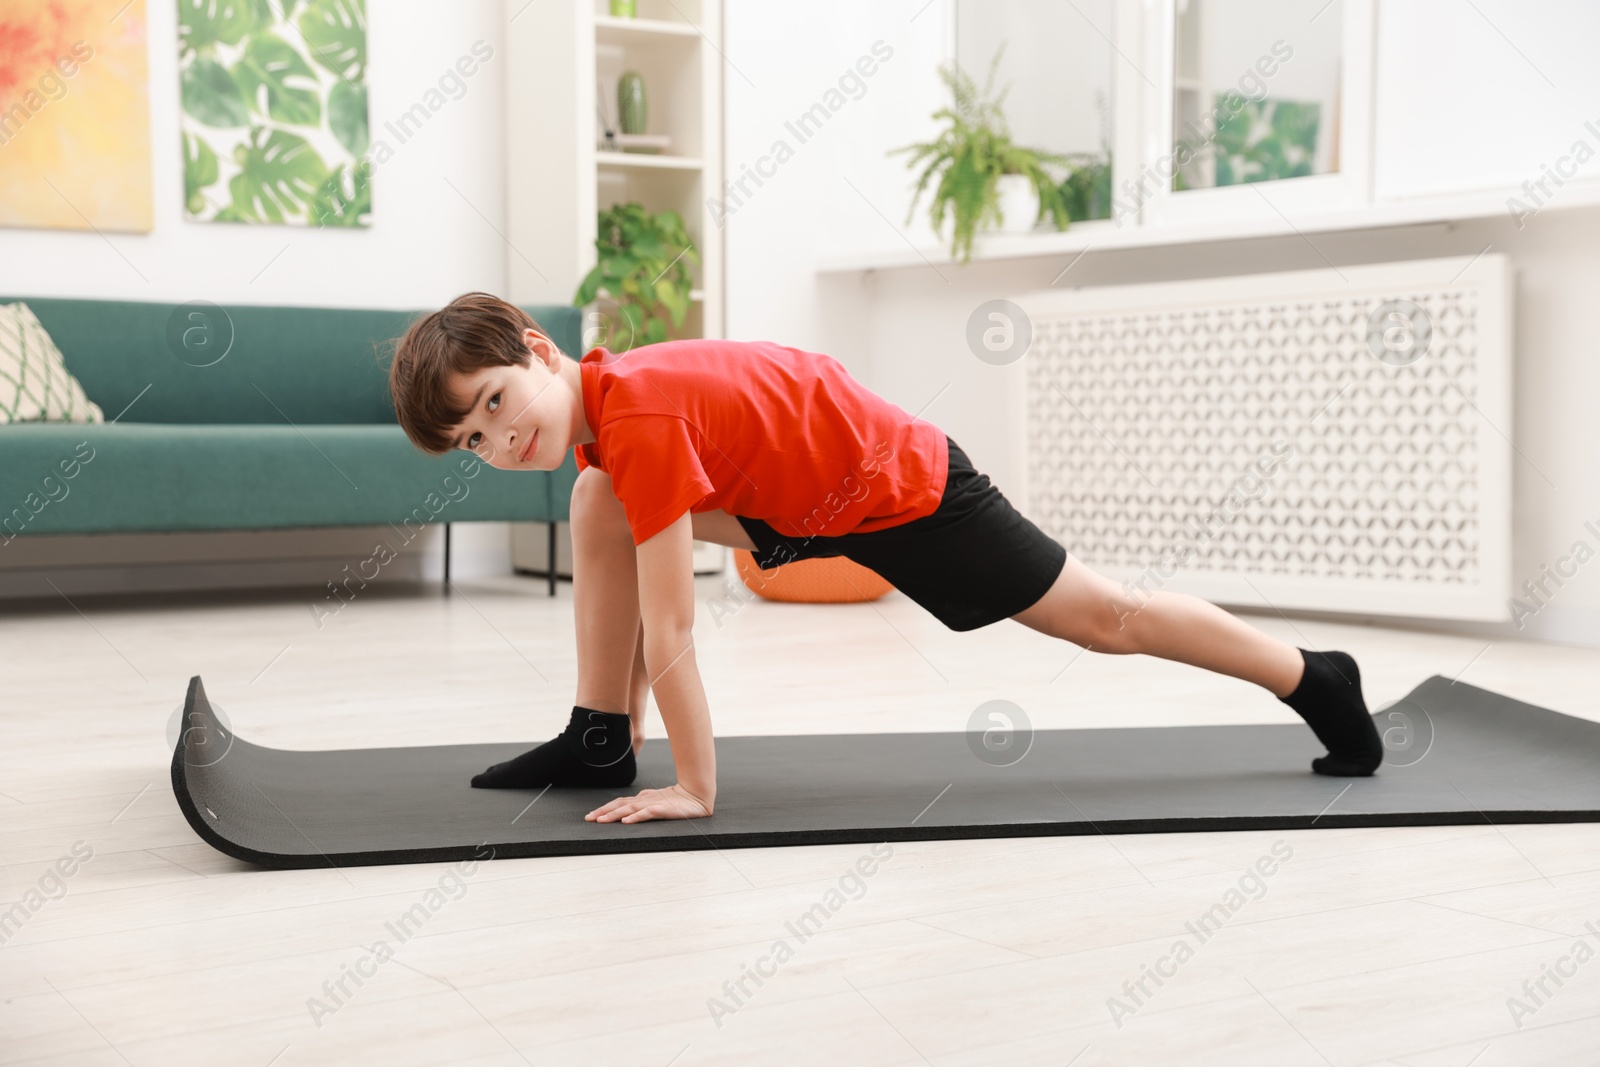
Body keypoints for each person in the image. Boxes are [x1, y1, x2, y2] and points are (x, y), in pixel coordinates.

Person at [387, 292, 1383, 824]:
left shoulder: (635, 415)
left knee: (1105, 619)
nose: (497, 439)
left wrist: (697, 785)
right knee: (595, 496)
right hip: (819, 503)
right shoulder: (608, 414)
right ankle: (598, 735)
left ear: (537, 349)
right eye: (472, 440)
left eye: (493, 403)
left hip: (913, 495)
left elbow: (675, 623)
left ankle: (1313, 677)